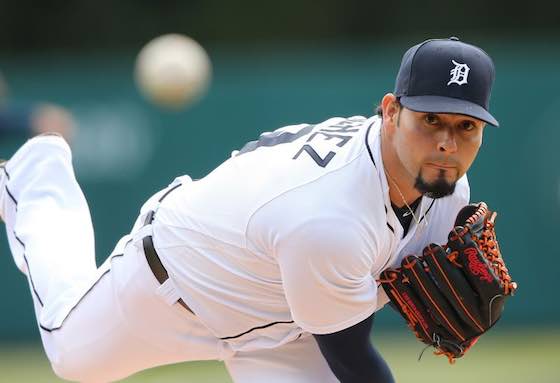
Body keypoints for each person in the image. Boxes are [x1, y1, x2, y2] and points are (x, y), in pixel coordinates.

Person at [0, 36, 498, 382]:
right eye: (429, 119)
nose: (446, 143)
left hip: (284, 323)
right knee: (71, 356)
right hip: (175, 284)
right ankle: (36, 177)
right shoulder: (330, 218)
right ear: (390, 112)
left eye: (465, 126)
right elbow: (352, 360)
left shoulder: (447, 187)